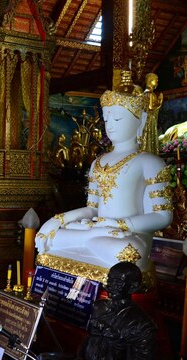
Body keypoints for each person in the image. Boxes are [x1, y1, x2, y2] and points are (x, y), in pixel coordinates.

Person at [35, 72, 173, 273]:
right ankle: (89, 238)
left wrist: (120, 225)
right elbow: (92, 209)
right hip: (101, 232)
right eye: (107, 119)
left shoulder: (150, 162)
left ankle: (90, 238)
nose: (111, 125)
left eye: (118, 118)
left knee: (126, 253)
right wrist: (58, 220)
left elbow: (162, 216)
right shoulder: (98, 162)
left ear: (141, 121)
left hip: (128, 237)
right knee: (53, 238)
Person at [39, 262, 157, 360]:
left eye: (118, 281)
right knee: (44, 359)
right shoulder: (99, 306)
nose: (111, 284)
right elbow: (89, 340)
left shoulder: (141, 323)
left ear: (133, 287)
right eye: (110, 279)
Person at [140, 73, 163, 155]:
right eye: (155, 80)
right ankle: (149, 153)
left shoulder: (144, 94)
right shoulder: (150, 94)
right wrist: (159, 103)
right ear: (150, 81)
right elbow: (150, 108)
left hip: (144, 119)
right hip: (149, 120)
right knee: (148, 137)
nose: (157, 82)